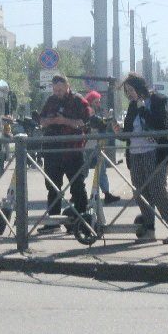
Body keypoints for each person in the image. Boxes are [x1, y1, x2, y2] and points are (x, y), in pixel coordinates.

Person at [122, 72, 168, 240]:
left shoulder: (158, 100)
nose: (129, 94)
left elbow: (160, 125)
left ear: (139, 88)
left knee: (157, 188)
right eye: (127, 91)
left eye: (131, 90)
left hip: (155, 152)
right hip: (135, 153)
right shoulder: (132, 105)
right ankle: (149, 228)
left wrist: (143, 110)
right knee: (140, 190)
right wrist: (118, 130)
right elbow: (127, 131)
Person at [37, 74, 92, 230]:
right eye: (55, 90)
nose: (58, 93)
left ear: (68, 86)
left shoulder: (78, 101)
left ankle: (82, 221)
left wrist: (65, 121)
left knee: (77, 186)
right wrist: (50, 121)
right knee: (53, 187)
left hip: (72, 150)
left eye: (60, 90)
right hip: (52, 150)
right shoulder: (51, 101)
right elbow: (41, 120)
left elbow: (84, 123)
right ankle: (53, 223)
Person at [82, 89, 120, 204]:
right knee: (83, 171)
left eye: (99, 101)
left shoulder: (95, 111)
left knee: (101, 170)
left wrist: (105, 120)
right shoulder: (88, 110)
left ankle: (106, 194)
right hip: (88, 146)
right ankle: (78, 192)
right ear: (91, 101)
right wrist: (105, 120)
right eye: (96, 101)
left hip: (96, 145)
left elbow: (100, 123)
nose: (99, 103)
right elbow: (95, 122)